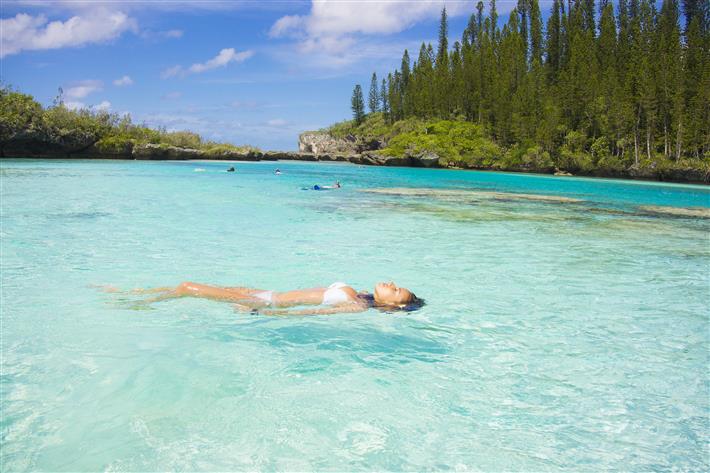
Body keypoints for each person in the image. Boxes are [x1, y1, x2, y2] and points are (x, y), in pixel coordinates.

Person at [115, 281, 423, 316]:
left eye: (396, 291)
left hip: (266, 301)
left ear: (392, 307)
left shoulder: (356, 306)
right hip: (263, 291)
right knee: (188, 284)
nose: (392, 284)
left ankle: (134, 304)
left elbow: (312, 313)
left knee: (186, 287)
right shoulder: (361, 294)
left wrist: (262, 313)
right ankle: (136, 293)